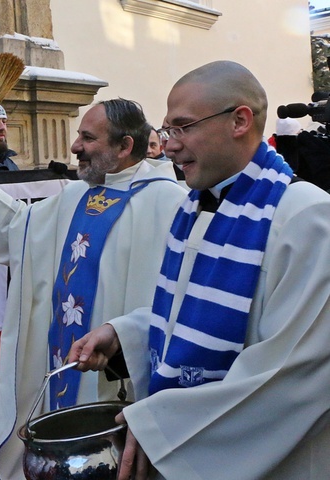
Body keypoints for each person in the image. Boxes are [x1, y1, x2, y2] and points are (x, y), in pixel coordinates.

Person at [70, 61, 330, 480]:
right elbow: (189, 311)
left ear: (239, 121)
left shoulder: (306, 217)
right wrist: (126, 334)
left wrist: (166, 426)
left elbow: (294, 370)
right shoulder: (195, 206)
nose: (169, 145)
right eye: (167, 129)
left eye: (183, 127)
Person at [0, 98, 187, 478]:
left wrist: (124, 337)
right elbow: (24, 228)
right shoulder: (79, 193)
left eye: (87, 138)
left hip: (120, 382)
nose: (75, 146)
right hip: (64, 365)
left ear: (125, 146)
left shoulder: (170, 203)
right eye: (78, 135)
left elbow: (180, 305)